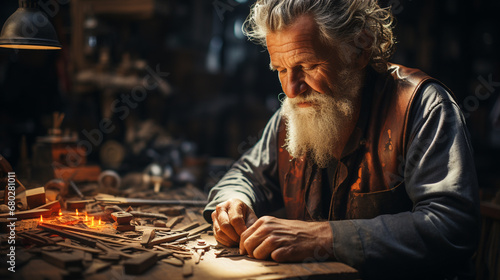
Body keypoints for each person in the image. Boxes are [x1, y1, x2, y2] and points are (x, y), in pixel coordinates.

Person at [203, 0, 480, 279]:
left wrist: (324, 238)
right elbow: (246, 174)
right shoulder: (298, 110)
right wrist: (234, 201)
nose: (291, 89)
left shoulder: (422, 107)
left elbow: (452, 226)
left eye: (308, 65)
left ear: (359, 50)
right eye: (281, 70)